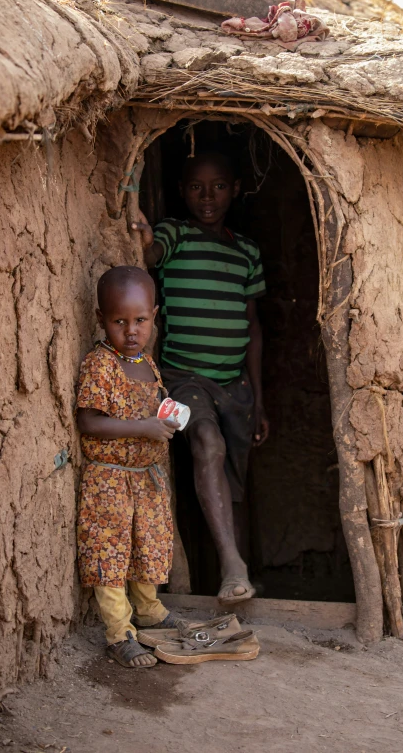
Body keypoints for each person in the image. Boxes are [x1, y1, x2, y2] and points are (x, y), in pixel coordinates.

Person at [133, 151, 269, 604]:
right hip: (184, 378)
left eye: (218, 186)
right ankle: (232, 566)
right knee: (207, 444)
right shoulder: (175, 233)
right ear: (181, 191)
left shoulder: (247, 252)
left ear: (235, 189)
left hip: (235, 386)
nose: (207, 196)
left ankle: (239, 572)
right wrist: (143, 236)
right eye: (196, 187)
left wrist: (259, 398)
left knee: (235, 479)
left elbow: (252, 327)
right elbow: (150, 252)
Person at [76, 266, 182, 668]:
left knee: (147, 547)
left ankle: (150, 610)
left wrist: (166, 420)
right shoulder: (100, 365)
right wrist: (145, 427)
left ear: (154, 315)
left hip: (147, 481)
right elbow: (89, 421)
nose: (131, 330)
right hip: (110, 481)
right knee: (111, 554)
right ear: (101, 319)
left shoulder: (147, 363)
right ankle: (119, 632)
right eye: (120, 321)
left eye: (140, 320)